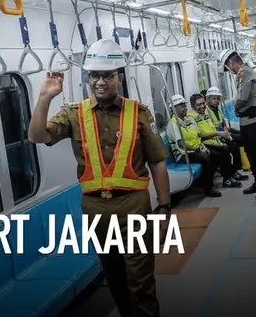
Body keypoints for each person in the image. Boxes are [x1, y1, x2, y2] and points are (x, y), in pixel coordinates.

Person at [28, 38, 171, 317]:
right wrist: (45, 97)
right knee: (114, 276)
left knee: (140, 280)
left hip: (134, 207)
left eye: (107, 75)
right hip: (95, 209)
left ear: (119, 77)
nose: (100, 82)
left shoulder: (138, 113)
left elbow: (157, 163)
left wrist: (164, 207)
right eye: (94, 75)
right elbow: (36, 136)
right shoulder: (73, 114)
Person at [220, 48, 256, 200]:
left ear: (232, 62)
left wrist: (237, 106)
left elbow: (243, 97)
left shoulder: (244, 73)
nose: (230, 69)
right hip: (249, 120)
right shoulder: (250, 71)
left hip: (253, 120)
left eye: (229, 65)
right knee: (251, 153)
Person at [167, 94, 222, 197]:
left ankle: (203, 182)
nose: (185, 108)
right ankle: (208, 189)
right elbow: (181, 143)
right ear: (174, 108)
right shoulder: (173, 124)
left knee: (216, 155)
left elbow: (197, 136)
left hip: (194, 150)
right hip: (182, 154)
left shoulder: (187, 120)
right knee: (206, 159)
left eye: (184, 105)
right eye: (181, 106)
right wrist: (197, 149)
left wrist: (203, 147)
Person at [187, 93, 244, 188]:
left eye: (203, 103)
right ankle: (227, 179)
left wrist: (220, 141)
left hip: (214, 141)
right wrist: (219, 134)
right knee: (225, 151)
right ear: (193, 106)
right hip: (205, 143)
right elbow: (199, 135)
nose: (202, 106)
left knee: (230, 147)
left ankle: (231, 175)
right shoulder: (191, 118)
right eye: (198, 105)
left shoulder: (205, 115)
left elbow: (213, 128)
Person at [204, 86, 249, 181]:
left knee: (242, 138)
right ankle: (232, 173)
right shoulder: (206, 112)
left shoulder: (216, 109)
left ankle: (235, 170)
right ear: (207, 99)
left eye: (218, 99)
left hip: (223, 133)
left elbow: (222, 122)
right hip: (216, 137)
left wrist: (225, 130)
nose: (216, 101)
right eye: (214, 99)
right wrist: (223, 134)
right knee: (233, 146)